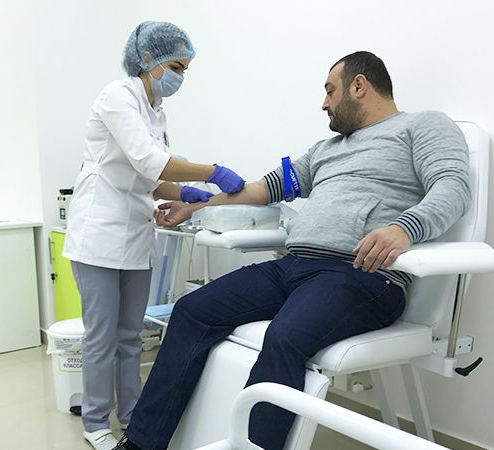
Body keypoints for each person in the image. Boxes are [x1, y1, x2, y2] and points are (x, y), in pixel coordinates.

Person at [111, 51, 471, 450]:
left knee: (284, 337)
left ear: (359, 86)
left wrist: (404, 228)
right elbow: (264, 188)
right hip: (292, 267)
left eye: (330, 91)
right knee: (192, 310)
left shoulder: (423, 126)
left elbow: (453, 187)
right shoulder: (325, 149)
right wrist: (196, 206)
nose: (324, 103)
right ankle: (140, 443)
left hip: (360, 275)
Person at [63, 21, 245, 450]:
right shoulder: (117, 97)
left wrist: (184, 194)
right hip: (98, 234)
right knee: (101, 337)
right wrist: (211, 171)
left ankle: (132, 415)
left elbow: (151, 179)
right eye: (176, 67)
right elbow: (149, 161)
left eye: (185, 70)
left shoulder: (156, 111)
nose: (180, 76)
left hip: (135, 234)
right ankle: (95, 421)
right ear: (148, 59)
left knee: (130, 337)